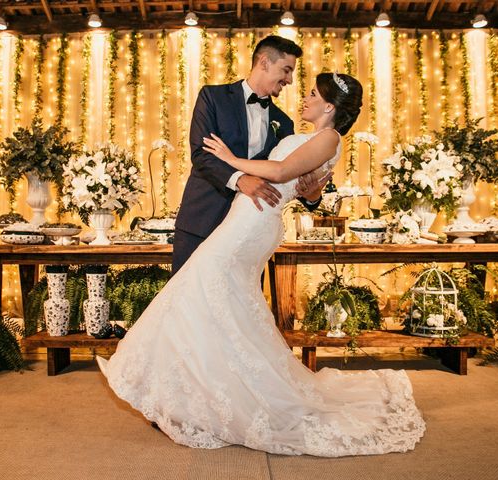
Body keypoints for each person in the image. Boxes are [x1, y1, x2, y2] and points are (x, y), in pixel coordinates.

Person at [98, 72, 425, 457]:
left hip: (251, 224)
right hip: (243, 218)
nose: (300, 94)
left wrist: (231, 161)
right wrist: (311, 186)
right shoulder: (313, 135)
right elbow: (307, 184)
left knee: (196, 292)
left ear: (330, 106)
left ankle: (213, 396)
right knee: (218, 305)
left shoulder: (329, 137)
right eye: (294, 80)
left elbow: (284, 172)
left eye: (311, 93)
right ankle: (199, 396)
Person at [172, 35, 329, 274]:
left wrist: (312, 197)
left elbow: (289, 174)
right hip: (202, 221)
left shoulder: (284, 123)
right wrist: (240, 180)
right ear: (264, 62)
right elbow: (201, 155)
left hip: (248, 232)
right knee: (184, 302)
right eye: (286, 70)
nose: (290, 80)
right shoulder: (212, 97)